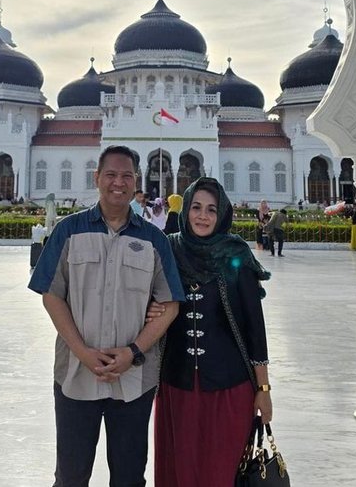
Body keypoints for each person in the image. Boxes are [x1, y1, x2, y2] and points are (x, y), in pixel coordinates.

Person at [28, 145, 185, 487]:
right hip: (75, 375)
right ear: (97, 178)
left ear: (135, 182)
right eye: (111, 175)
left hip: (134, 380)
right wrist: (82, 352)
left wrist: (133, 352)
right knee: (71, 475)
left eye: (127, 175)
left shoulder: (154, 239)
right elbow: (51, 294)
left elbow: (170, 304)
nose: (119, 182)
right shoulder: (69, 231)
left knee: (129, 477)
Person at [150, 177, 272, 487]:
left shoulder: (235, 255)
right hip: (177, 385)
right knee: (181, 469)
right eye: (196, 208)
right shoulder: (169, 249)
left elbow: (254, 328)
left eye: (211, 210)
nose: (203, 216)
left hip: (229, 388)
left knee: (220, 471)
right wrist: (150, 309)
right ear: (186, 210)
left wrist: (264, 390)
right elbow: (148, 297)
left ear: (222, 215)